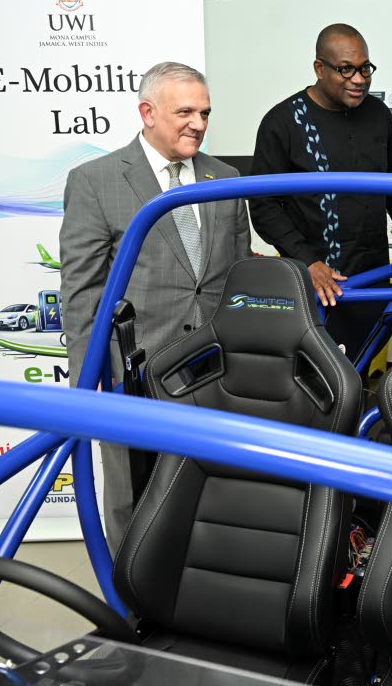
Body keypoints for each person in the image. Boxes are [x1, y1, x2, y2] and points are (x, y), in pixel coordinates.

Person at [61, 61, 251, 552]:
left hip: (210, 368)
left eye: (205, 112)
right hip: (134, 368)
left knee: (207, 480)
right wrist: (89, 376)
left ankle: (197, 583)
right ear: (147, 112)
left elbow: (238, 274)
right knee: (129, 490)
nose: (199, 124)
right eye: (185, 111)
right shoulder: (96, 181)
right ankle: (129, 600)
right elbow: (82, 289)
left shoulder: (225, 177)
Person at [249, 23, 392, 362]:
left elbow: (391, 169)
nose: (359, 79)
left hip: (373, 275)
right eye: (346, 69)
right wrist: (308, 262)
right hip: (316, 283)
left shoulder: (378, 113)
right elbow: (264, 206)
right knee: (316, 378)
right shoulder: (282, 123)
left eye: (365, 68)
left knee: (361, 364)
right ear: (319, 69)